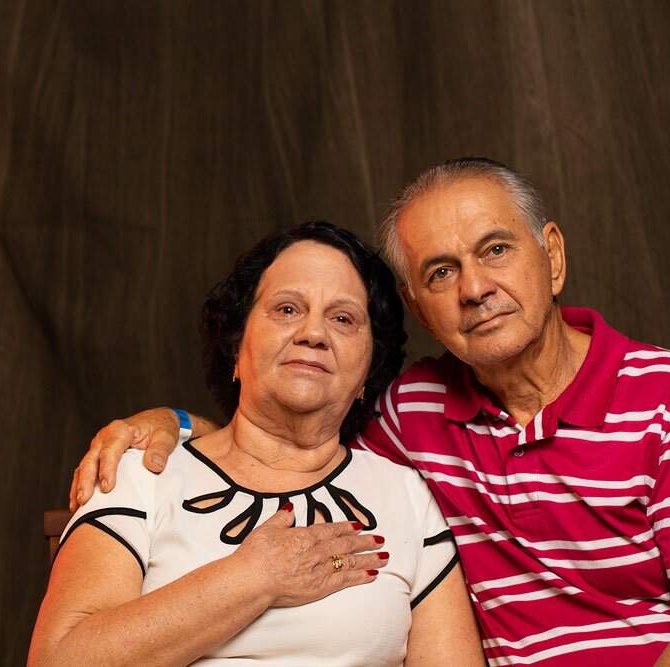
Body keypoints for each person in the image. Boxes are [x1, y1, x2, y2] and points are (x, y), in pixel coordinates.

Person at [73, 158, 670, 666]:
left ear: (551, 256)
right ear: (420, 309)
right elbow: (285, 431)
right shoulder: (411, 416)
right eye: (441, 271)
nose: (475, 289)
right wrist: (173, 424)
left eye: (496, 250)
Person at [30, 222, 484, 666]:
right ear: (236, 344)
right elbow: (58, 660)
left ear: (369, 367)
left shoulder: (407, 494)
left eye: (343, 319)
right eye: (287, 309)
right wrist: (253, 579)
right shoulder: (141, 474)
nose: (313, 334)